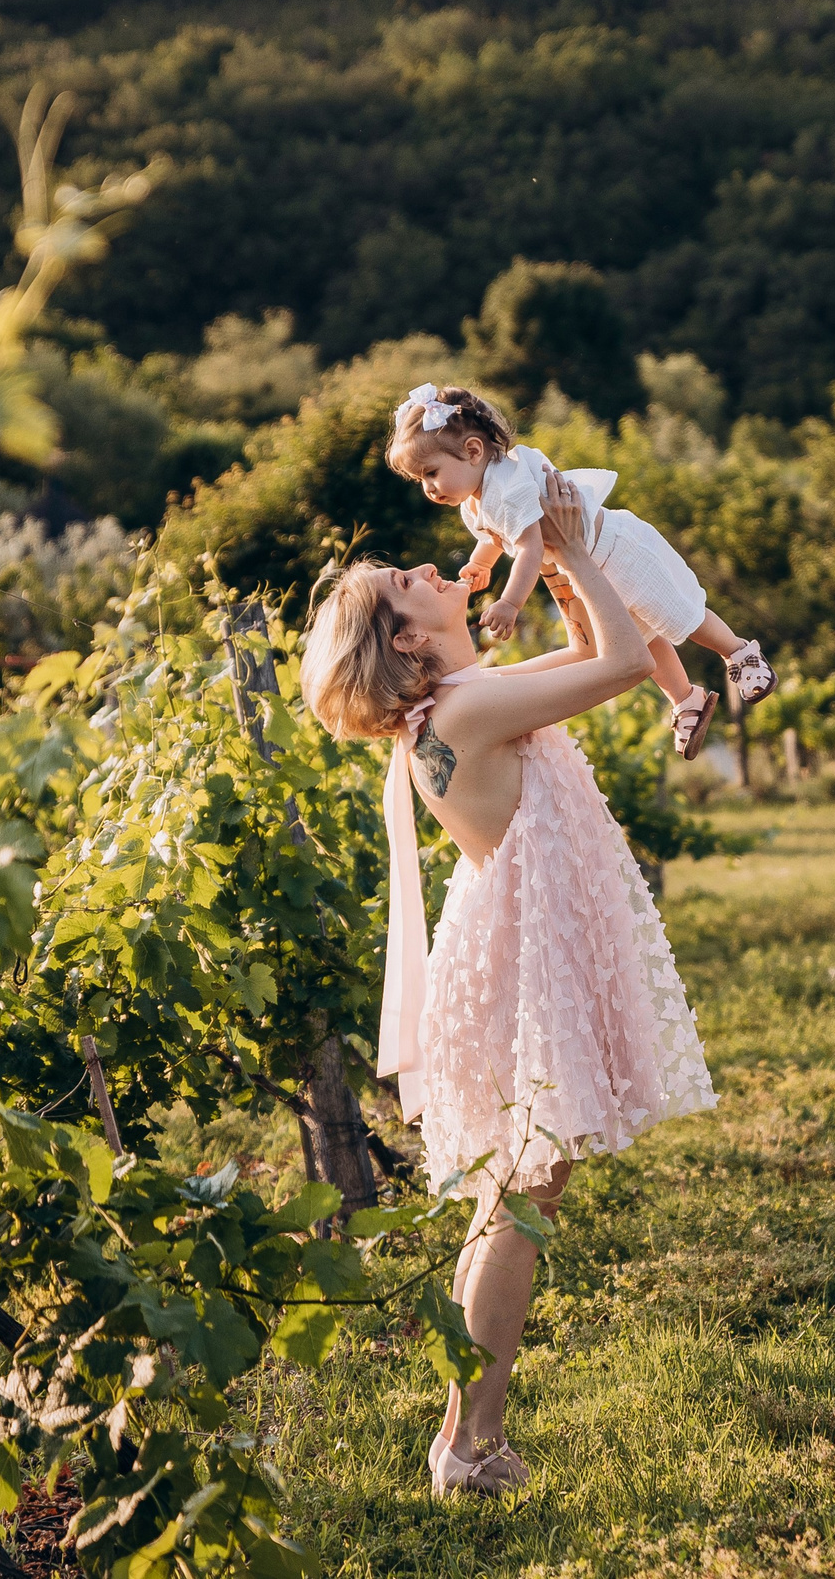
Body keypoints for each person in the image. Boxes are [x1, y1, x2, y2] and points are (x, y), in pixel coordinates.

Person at [302, 471, 719, 1497]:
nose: (434, 566)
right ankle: (468, 1442)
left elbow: (584, 654)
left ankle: (465, 1429)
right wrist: (571, 545)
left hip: (509, 954)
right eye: (411, 581)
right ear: (408, 638)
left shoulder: (451, 707)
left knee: (508, 1197)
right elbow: (623, 661)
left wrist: (572, 570)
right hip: (527, 964)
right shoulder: (474, 703)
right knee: (519, 1204)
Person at [385, 382, 772, 759]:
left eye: (431, 473)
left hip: (616, 550)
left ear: (473, 451)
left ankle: (738, 653)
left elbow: (530, 546)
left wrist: (509, 602)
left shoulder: (506, 486)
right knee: (638, 635)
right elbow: (495, 535)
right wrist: (480, 562)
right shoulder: (474, 500)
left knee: (675, 612)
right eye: (421, 480)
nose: (429, 488)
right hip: (585, 567)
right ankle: (686, 697)